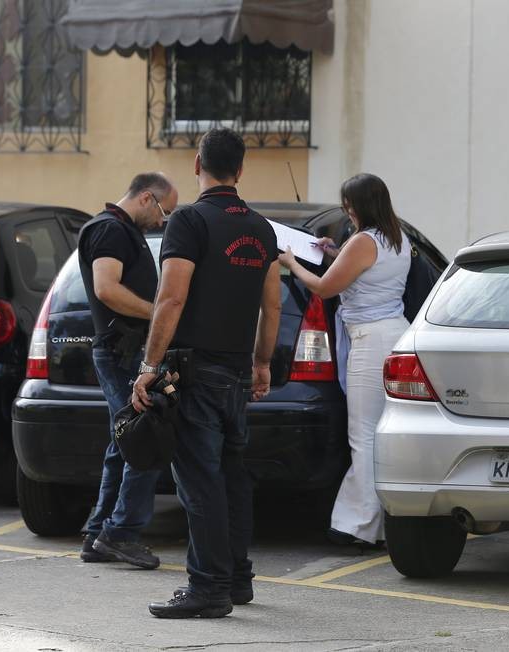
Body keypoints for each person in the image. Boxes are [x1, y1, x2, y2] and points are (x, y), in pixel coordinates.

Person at [132, 128, 281, 619]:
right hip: (237, 374)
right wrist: (262, 363)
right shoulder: (262, 229)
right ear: (240, 169)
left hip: (195, 374)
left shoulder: (189, 221)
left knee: (200, 484)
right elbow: (272, 307)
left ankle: (208, 587)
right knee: (232, 479)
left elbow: (170, 298)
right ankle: (237, 579)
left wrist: (149, 367)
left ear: (198, 165)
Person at [277, 173, 411, 547]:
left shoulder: (364, 241)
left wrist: (291, 262)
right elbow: (365, 271)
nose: (347, 211)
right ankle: (377, 522)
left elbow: (324, 288)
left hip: (370, 340)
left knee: (363, 435)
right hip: (393, 333)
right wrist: (334, 254)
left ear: (360, 205)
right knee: (379, 434)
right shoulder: (396, 237)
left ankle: (360, 526)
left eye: (348, 205)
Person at [77, 172, 179, 568]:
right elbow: (106, 288)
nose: (162, 221)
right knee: (144, 438)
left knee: (124, 441)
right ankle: (120, 534)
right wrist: (157, 313)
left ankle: (98, 533)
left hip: (123, 350)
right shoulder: (110, 230)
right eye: (163, 212)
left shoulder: (120, 230)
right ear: (147, 198)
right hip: (121, 351)